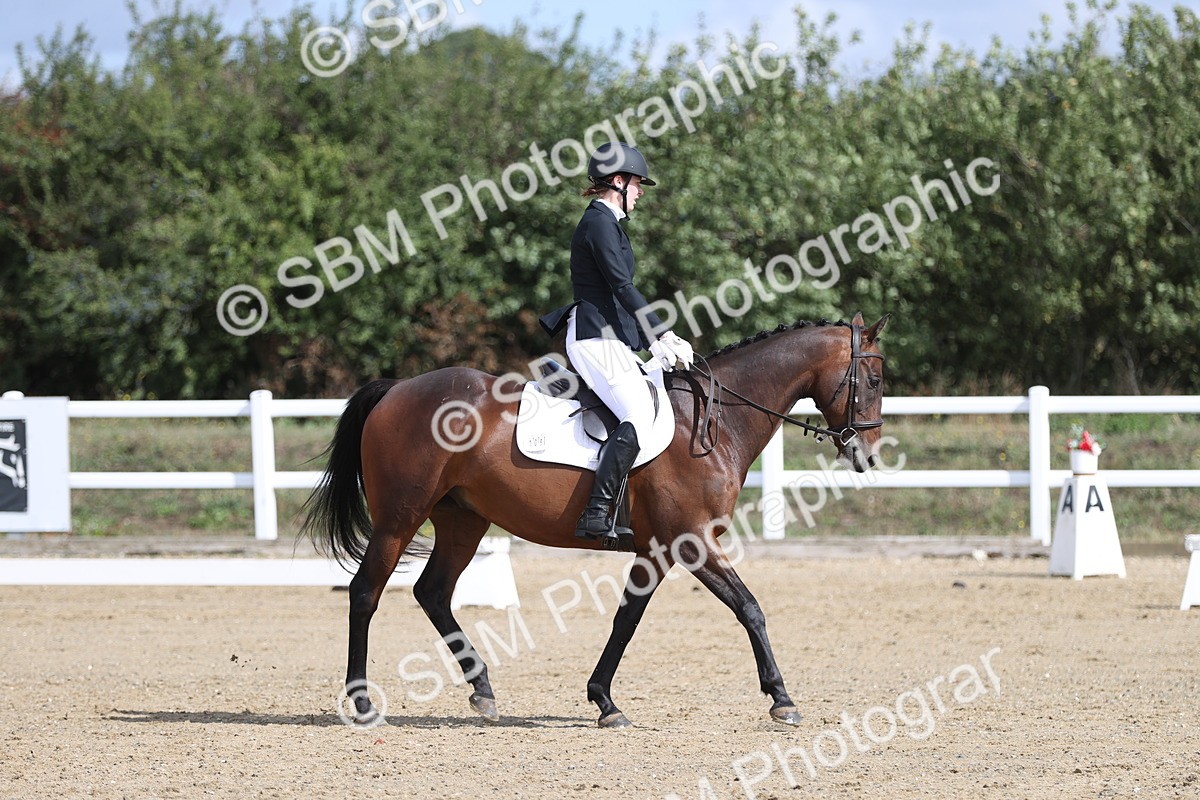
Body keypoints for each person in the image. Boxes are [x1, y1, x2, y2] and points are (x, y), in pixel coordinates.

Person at [539, 142, 694, 546]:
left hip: (611, 338)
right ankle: (596, 513)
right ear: (619, 181)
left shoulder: (611, 225)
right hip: (593, 337)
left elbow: (620, 298)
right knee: (640, 415)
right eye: (638, 184)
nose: (641, 192)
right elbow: (621, 287)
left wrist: (652, 341)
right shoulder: (599, 224)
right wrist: (662, 333)